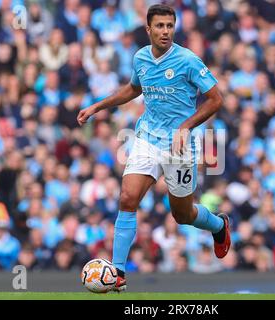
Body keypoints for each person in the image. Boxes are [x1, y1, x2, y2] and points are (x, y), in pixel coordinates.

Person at [77, 4, 231, 292]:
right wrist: (97, 106)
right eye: (159, 26)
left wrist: (185, 127)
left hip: (179, 147)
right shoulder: (141, 58)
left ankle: (219, 227)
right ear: (148, 29)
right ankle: (119, 272)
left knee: (182, 215)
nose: (165, 31)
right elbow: (134, 88)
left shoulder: (187, 60)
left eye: (170, 26)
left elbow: (215, 99)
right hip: (147, 138)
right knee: (127, 197)